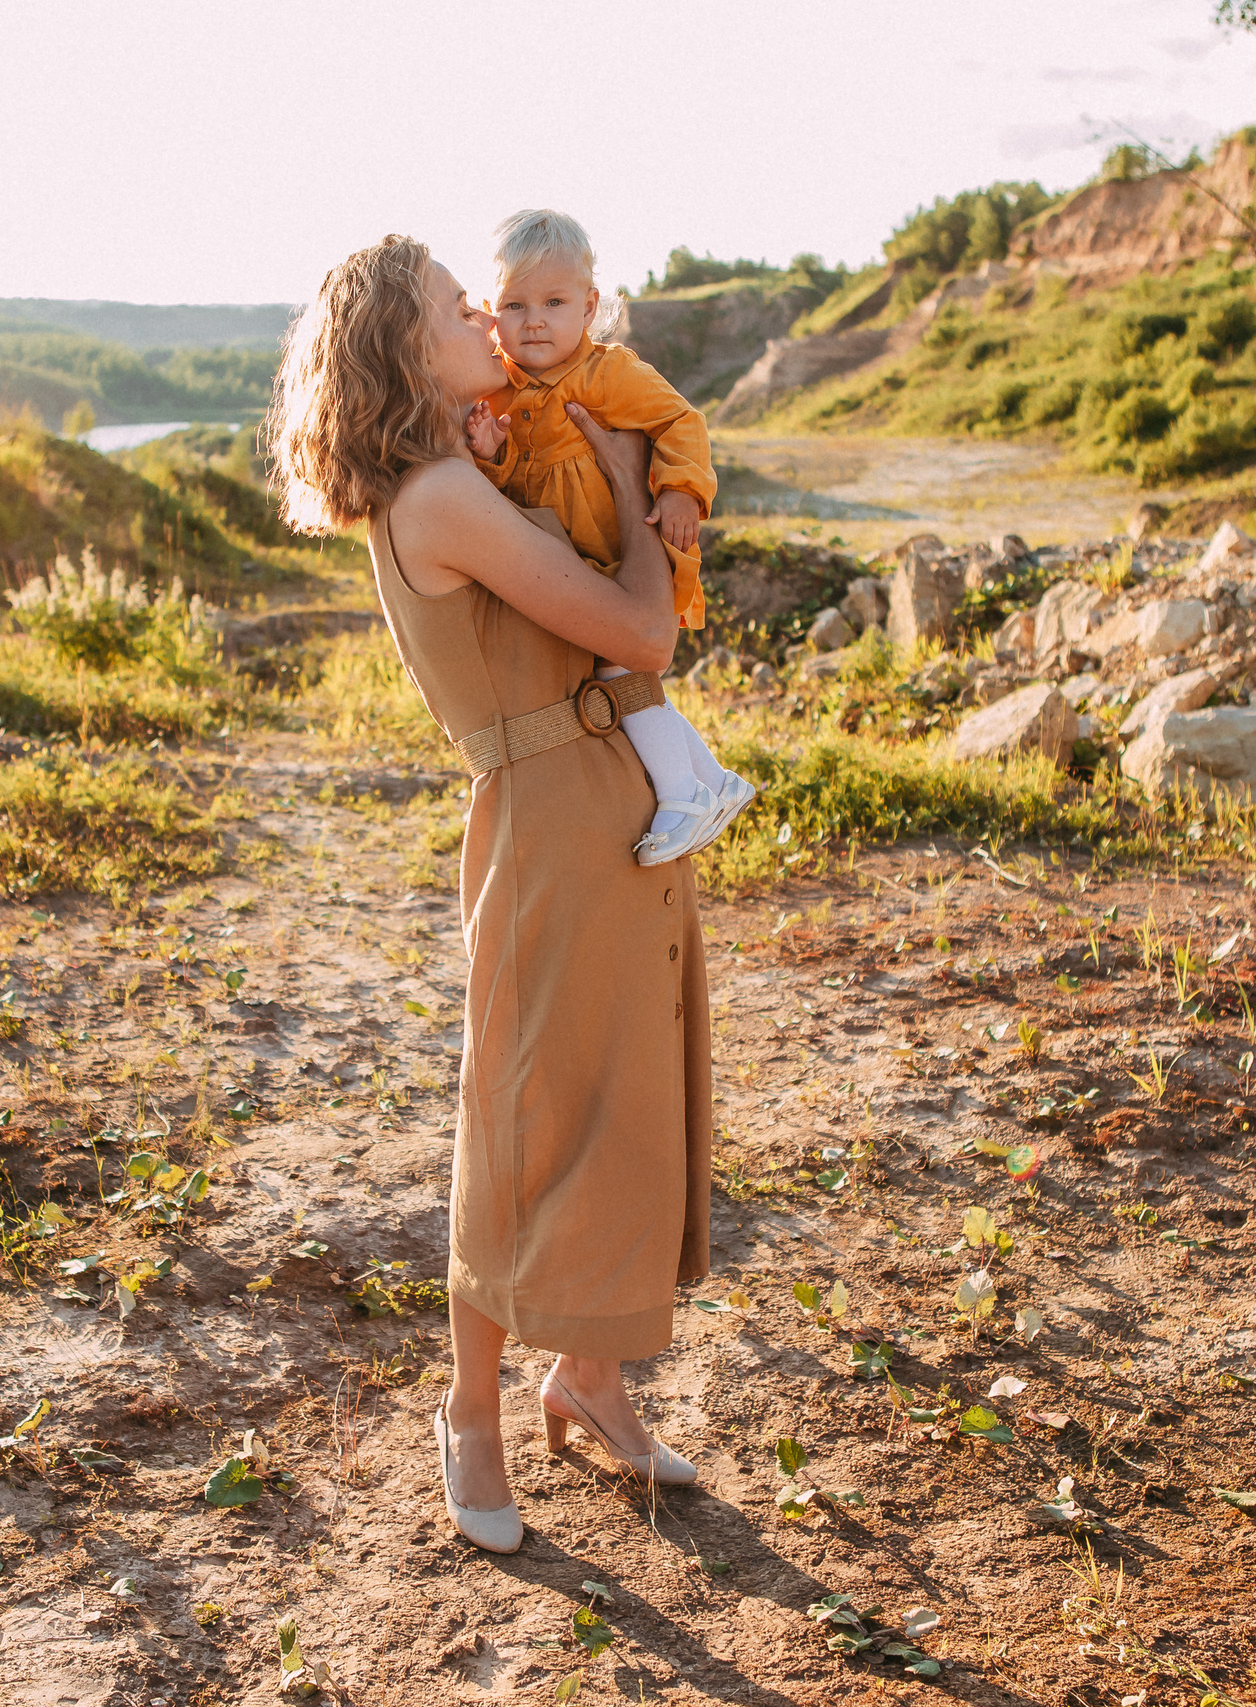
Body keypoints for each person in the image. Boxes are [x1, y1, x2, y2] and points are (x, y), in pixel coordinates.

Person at [267, 236, 714, 1553]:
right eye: (453, 304)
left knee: (624, 1100)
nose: (483, 311)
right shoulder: (438, 497)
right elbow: (643, 629)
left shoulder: (469, 467)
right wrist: (637, 480)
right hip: (548, 816)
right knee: (519, 1115)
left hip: (605, 798)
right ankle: (470, 1408)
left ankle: (589, 1375)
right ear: (405, 348)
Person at [464, 208, 755, 866]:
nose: (534, 320)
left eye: (554, 302)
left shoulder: (607, 373)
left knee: (619, 664)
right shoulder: (506, 392)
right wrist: (490, 451)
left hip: (621, 553)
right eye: (515, 304)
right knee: (615, 670)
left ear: (589, 306)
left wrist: (682, 490)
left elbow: (680, 421)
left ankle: (682, 791)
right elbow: (519, 483)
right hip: (570, 560)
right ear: (492, 312)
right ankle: (712, 779)